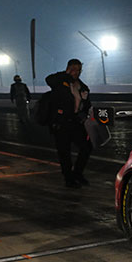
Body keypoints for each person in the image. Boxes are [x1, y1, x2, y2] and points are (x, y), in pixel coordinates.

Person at [46, 59, 92, 188]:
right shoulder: (60, 82)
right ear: (67, 68)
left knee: (86, 147)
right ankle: (68, 178)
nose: (75, 72)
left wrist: (85, 114)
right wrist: (65, 74)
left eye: (77, 69)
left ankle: (77, 173)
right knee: (64, 152)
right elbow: (49, 80)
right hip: (61, 123)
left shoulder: (82, 86)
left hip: (76, 122)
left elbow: (87, 104)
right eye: (72, 69)